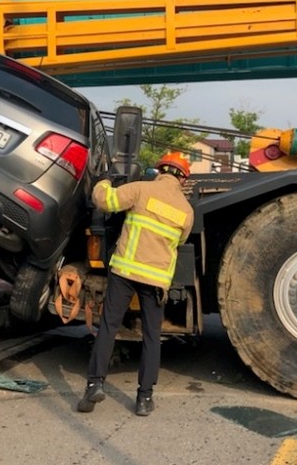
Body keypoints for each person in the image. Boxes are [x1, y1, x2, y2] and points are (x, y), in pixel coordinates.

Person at [76, 151, 194, 417]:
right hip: (156, 281)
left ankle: (94, 385)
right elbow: (180, 242)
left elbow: (105, 200)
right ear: (183, 179)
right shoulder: (187, 211)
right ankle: (144, 399)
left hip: (125, 272)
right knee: (152, 337)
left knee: (108, 326)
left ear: (159, 169)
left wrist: (104, 181)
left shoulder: (141, 189)